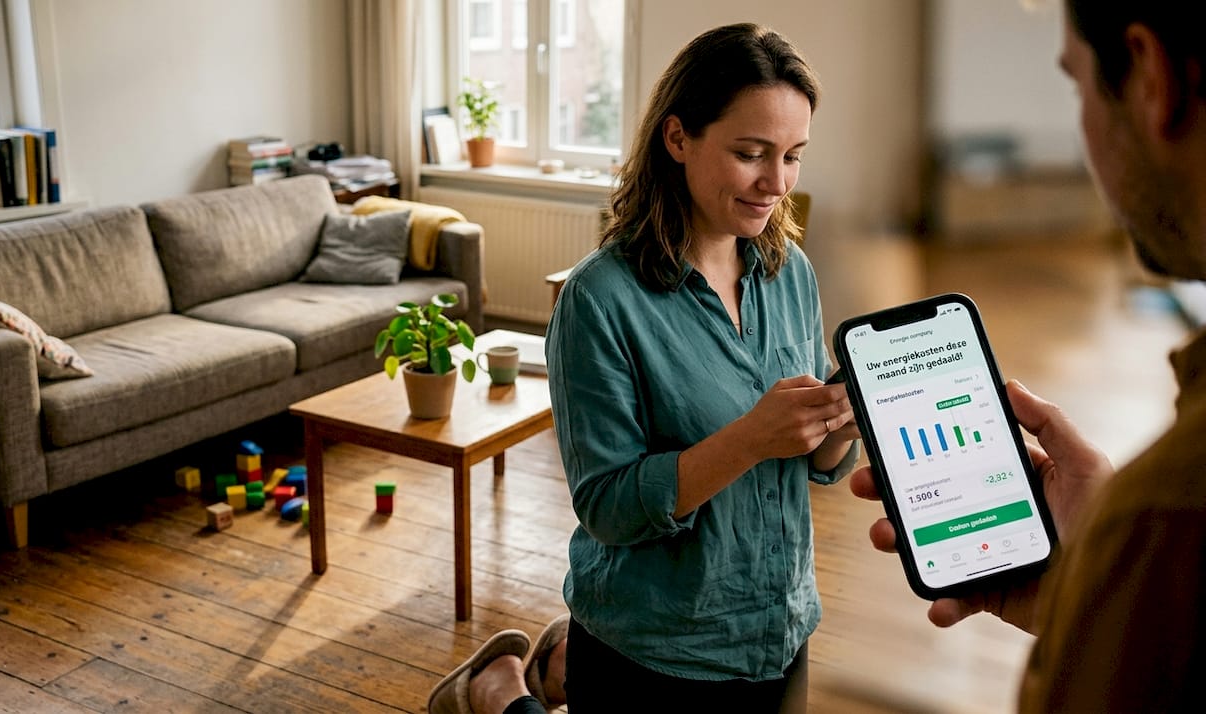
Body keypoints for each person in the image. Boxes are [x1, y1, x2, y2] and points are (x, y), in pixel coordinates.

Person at [429, 21, 860, 714]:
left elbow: (814, 461)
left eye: (793, 156)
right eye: (751, 153)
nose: (776, 183)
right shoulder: (600, 298)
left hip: (780, 632)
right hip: (656, 647)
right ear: (678, 138)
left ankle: (550, 667)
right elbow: (607, 504)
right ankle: (500, 691)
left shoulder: (791, 273)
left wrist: (847, 415)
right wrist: (752, 436)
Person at [849, 2, 1206, 711]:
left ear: (1149, 79)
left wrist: (1112, 575)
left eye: (1076, 86)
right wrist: (1086, 586)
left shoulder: (1164, 525)